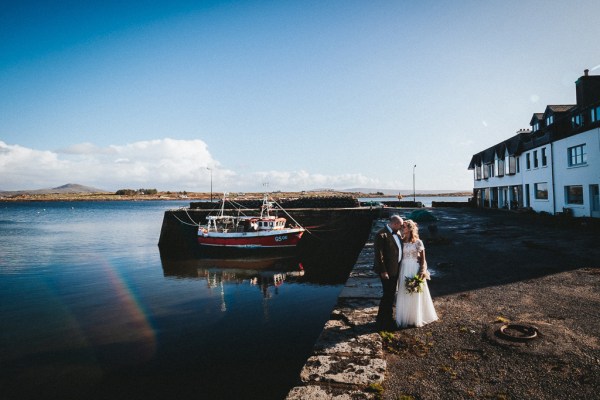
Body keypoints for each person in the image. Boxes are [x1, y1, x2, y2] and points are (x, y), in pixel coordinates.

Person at [395, 219, 438, 328]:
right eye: (401, 227)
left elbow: (423, 259)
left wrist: (422, 271)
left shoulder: (418, 242)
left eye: (403, 227)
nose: (401, 228)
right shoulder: (401, 240)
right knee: (404, 291)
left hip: (414, 267)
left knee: (415, 291)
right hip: (403, 268)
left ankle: (415, 317)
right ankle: (404, 317)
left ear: (409, 228)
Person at [374, 214, 404, 330]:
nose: (401, 227)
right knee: (387, 295)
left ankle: (386, 317)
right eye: (400, 225)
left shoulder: (398, 233)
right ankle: (383, 319)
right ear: (395, 223)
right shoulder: (381, 234)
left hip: (396, 269)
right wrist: (383, 271)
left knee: (391, 294)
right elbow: (379, 255)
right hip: (387, 271)